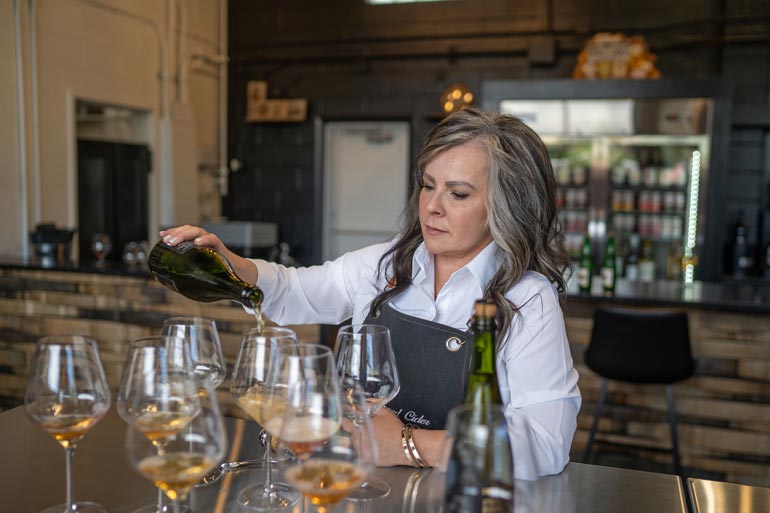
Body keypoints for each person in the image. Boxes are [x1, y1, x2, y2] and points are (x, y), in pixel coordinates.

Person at [159, 108, 581, 479]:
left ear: (506, 206)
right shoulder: (383, 265)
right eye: (427, 184)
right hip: (360, 485)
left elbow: (544, 443)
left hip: (455, 494)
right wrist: (231, 264)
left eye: (458, 194)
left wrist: (408, 444)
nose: (432, 206)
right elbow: (292, 291)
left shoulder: (527, 299)